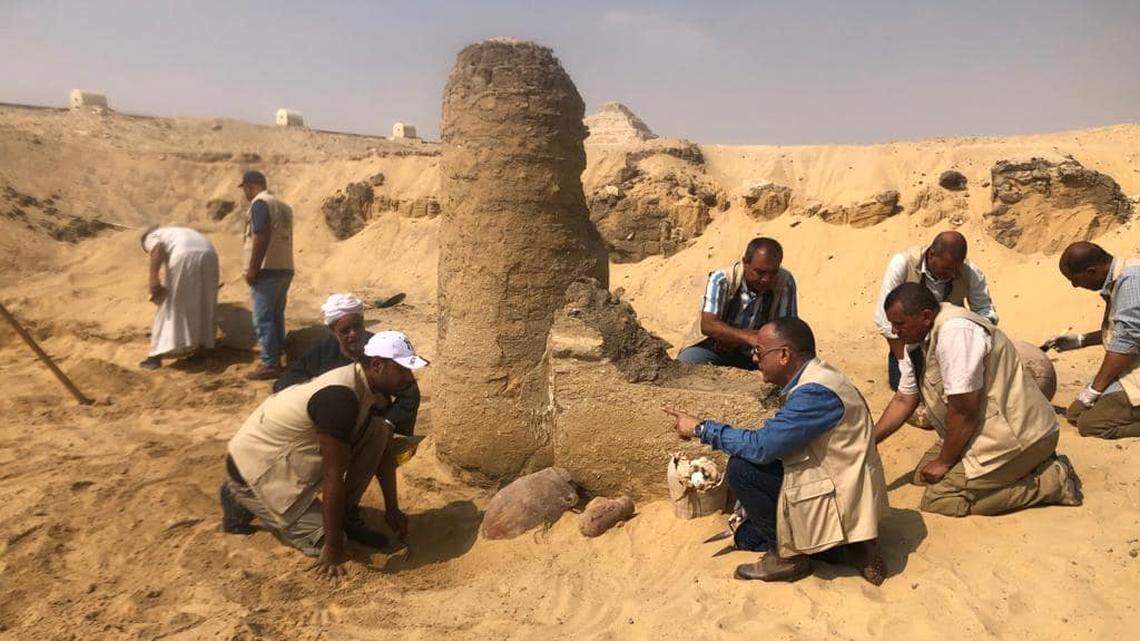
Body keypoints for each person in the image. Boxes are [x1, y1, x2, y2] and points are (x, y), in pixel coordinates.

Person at [664, 317, 888, 584]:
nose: (755, 359)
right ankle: (847, 549)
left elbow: (762, 448)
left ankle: (788, 558)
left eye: (759, 352)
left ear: (784, 355)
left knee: (743, 470)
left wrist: (701, 428)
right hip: (844, 485)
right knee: (748, 535)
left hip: (840, 492)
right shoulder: (822, 377)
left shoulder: (814, 393)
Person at [220, 331, 428, 579]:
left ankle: (345, 514)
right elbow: (333, 476)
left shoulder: (369, 387)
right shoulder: (340, 399)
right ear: (377, 365)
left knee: (379, 431)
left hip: (287, 457)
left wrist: (392, 509)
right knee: (333, 537)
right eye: (403, 370)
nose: (408, 378)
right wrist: (332, 548)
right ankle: (238, 496)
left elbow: (381, 451)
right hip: (256, 467)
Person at [873, 283, 1082, 517]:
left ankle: (1052, 481)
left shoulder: (956, 333)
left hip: (1018, 435)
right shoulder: (917, 340)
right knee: (922, 477)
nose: (894, 331)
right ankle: (1019, 470)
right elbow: (904, 399)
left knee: (940, 498)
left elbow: (964, 410)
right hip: (981, 430)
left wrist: (944, 461)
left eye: (899, 324)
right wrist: (869, 440)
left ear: (925, 316)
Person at [274, 293, 422, 439]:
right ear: (332, 330)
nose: (353, 334)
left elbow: (409, 390)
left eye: (357, 327)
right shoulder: (323, 352)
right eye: (345, 330)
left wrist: (388, 424)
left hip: (373, 424)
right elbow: (285, 383)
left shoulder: (381, 348)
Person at [875, 231, 997, 390]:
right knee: (904, 391)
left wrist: (971, 346)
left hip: (953, 343)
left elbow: (984, 312)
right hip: (908, 344)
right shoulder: (903, 263)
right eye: (947, 269)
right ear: (931, 254)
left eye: (956, 269)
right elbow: (884, 320)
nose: (952, 274)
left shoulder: (970, 272)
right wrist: (905, 362)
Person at [1045, 242, 1140, 439]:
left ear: (1091, 271)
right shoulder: (1121, 277)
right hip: (1133, 363)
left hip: (1134, 365)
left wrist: (1093, 391)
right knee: (1075, 415)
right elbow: (1123, 330)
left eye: (1075, 279)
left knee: (1091, 425)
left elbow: (1126, 343)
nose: (1074, 285)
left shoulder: (1131, 281)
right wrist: (1081, 340)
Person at [677, 237, 798, 370]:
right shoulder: (722, 278)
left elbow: (787, 329)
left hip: (757, 354)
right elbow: (708, 325)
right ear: (745, 263)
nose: (766, 279)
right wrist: (747, 336)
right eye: (760, 272)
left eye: (773, 273)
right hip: (713, 349)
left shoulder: (785, 282)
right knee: (684, 366)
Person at [138, 226, 219, 370]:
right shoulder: (175, 231)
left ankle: (154, 357)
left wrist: (153, 278)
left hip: (184, 254)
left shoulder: (152, 237)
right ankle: (203, 351)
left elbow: (157, 248)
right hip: (209, 253)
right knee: (206, 303)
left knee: (169, 304)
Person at [240, 170, 295, 381]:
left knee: (263, 318)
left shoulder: (260, 204)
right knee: (275, 316)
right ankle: (278, 357)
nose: (245, 193)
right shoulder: (283, 206)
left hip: (267, 270)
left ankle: (270, 363)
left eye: (245, 188)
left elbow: (261, 235)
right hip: (285, 267)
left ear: (250, 186)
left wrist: (253, 267)